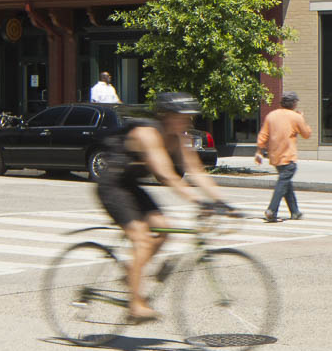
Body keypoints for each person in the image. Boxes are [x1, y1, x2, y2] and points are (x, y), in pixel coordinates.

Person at [95, 91, 236, 323]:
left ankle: (132, 272)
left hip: (131, 186)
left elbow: (197, 171)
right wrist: (199, 201)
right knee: (142, 239)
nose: (188, 121)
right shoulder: (147, 134)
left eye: (190, 117)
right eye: (183, 116)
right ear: (166, 116)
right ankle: (136, 305)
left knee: (164, 230)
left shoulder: (178, 138)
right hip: (111, 185)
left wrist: (222, 202)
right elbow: (166, 175)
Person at [255, 91, 312, 222]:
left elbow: (263, 135)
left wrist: (259, 151)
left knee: (286, 183)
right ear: (293, 104)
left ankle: (295, 212)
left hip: (275, 156)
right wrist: (301, 118)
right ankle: (272, 210)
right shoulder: (295, 117)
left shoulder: (271, 115)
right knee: (282, 183)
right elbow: (306, 134)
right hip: (288, 156)